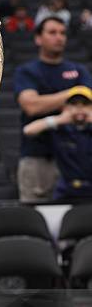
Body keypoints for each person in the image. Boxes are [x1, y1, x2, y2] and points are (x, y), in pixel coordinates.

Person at [14, 16, 92, 203]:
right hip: (38, 156)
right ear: (38, 38)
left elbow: (88, 111)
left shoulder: (79, 70)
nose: (59, 37)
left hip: (76, 157)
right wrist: (74, 93)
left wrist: (49, 102)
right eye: (52, 32)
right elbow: (31, 106)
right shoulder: (28, 71)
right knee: (36, 221)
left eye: (63, 33)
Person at [23, 86, 92, 199]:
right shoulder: (61, 129)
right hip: (67, 189)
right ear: (66, 107)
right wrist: (60, 119)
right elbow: (28, 130)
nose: (80, 108)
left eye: (85, 104)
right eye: (74, 104)